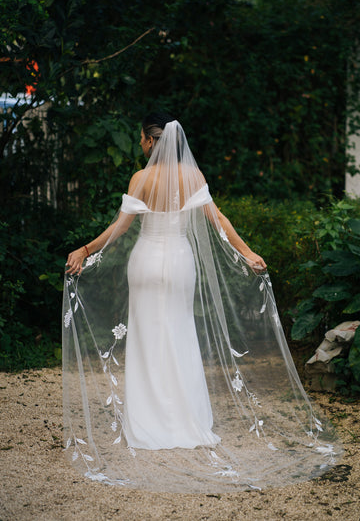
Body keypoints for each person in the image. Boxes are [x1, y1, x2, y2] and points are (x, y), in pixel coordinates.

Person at [62, 113, 342, 492]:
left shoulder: (140, 179)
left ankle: (148, 421)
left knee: (146, 338)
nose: (141, 145)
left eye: (142, 139)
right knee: (178, 334)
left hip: (145, 262)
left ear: (149, 140)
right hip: (179, 262)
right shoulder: (192, 176)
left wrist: (85, 249)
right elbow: (217, 219)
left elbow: (121, 227)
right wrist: (246, 252)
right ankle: (184, 419)